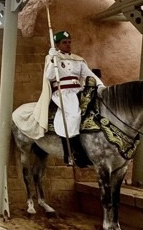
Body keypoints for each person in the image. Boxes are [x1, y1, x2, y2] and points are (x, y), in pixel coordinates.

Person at [42, 30, 104, 164]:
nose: (68, 45)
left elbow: (89, 75)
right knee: (74, 113)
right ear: (57, 44)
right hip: (62, 92)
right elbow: (49, 76)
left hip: (77, 90)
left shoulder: (78, 59)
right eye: (64, 42)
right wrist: (53, 59)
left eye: (69, 42)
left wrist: (101, 86)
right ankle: (74, 152)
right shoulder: (53, 57)